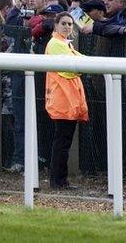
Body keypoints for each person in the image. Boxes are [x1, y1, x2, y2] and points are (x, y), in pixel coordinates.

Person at [44, 12, 89, 190]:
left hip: (66, 100)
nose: (67, 27)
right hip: (62, 100)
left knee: (63, 142)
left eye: (70, 24)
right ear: (56, 25)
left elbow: (83, 61)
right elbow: (71, 69)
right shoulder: (56, 44)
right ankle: (58, 181)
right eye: (63, 23)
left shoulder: (64, 44)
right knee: (62, 143)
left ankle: (59, 180)